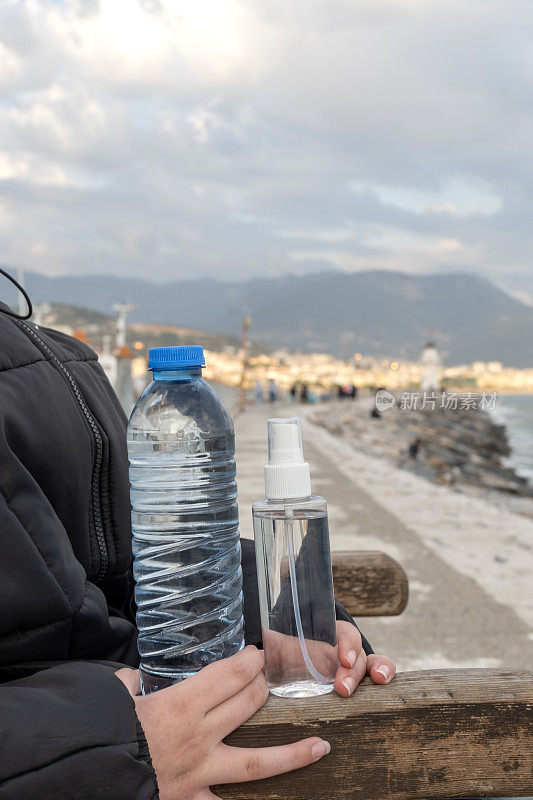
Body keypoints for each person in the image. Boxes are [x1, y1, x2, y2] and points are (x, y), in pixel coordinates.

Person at [0, 287, 395, 800]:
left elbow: (139, 558)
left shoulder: (57, 356)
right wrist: (114, 750)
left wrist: (284, 622)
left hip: (180, 715)